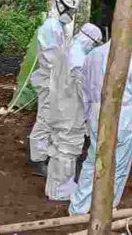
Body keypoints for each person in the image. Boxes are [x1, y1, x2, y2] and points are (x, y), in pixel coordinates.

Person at [69, 23, 132, 215]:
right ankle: (108, 208)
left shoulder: (93, 56)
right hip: (123, 115)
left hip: (97, 113)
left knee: (93, 161)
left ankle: (79, 209)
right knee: (120, 163)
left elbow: (86, 89)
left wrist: (89, 115)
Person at [44, 23, 102, 201]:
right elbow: (82, 88)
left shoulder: (67, 49)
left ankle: (54, 187)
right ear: (89, 40)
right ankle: (61, 189)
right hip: (70, 110)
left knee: (58, 146)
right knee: (68, 148)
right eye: (93, 44)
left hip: (59, 106)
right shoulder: (77, 56)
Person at [28, 0, 79, 177]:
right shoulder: (50, 27)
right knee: (45, 119)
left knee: (52, 118)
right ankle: (37, 159)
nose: (71, 15)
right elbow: (53, 58)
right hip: (49, 80)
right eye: (70, 10)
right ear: (60, 5)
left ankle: (45, 154)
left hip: (56, 80)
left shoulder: (59, 26)